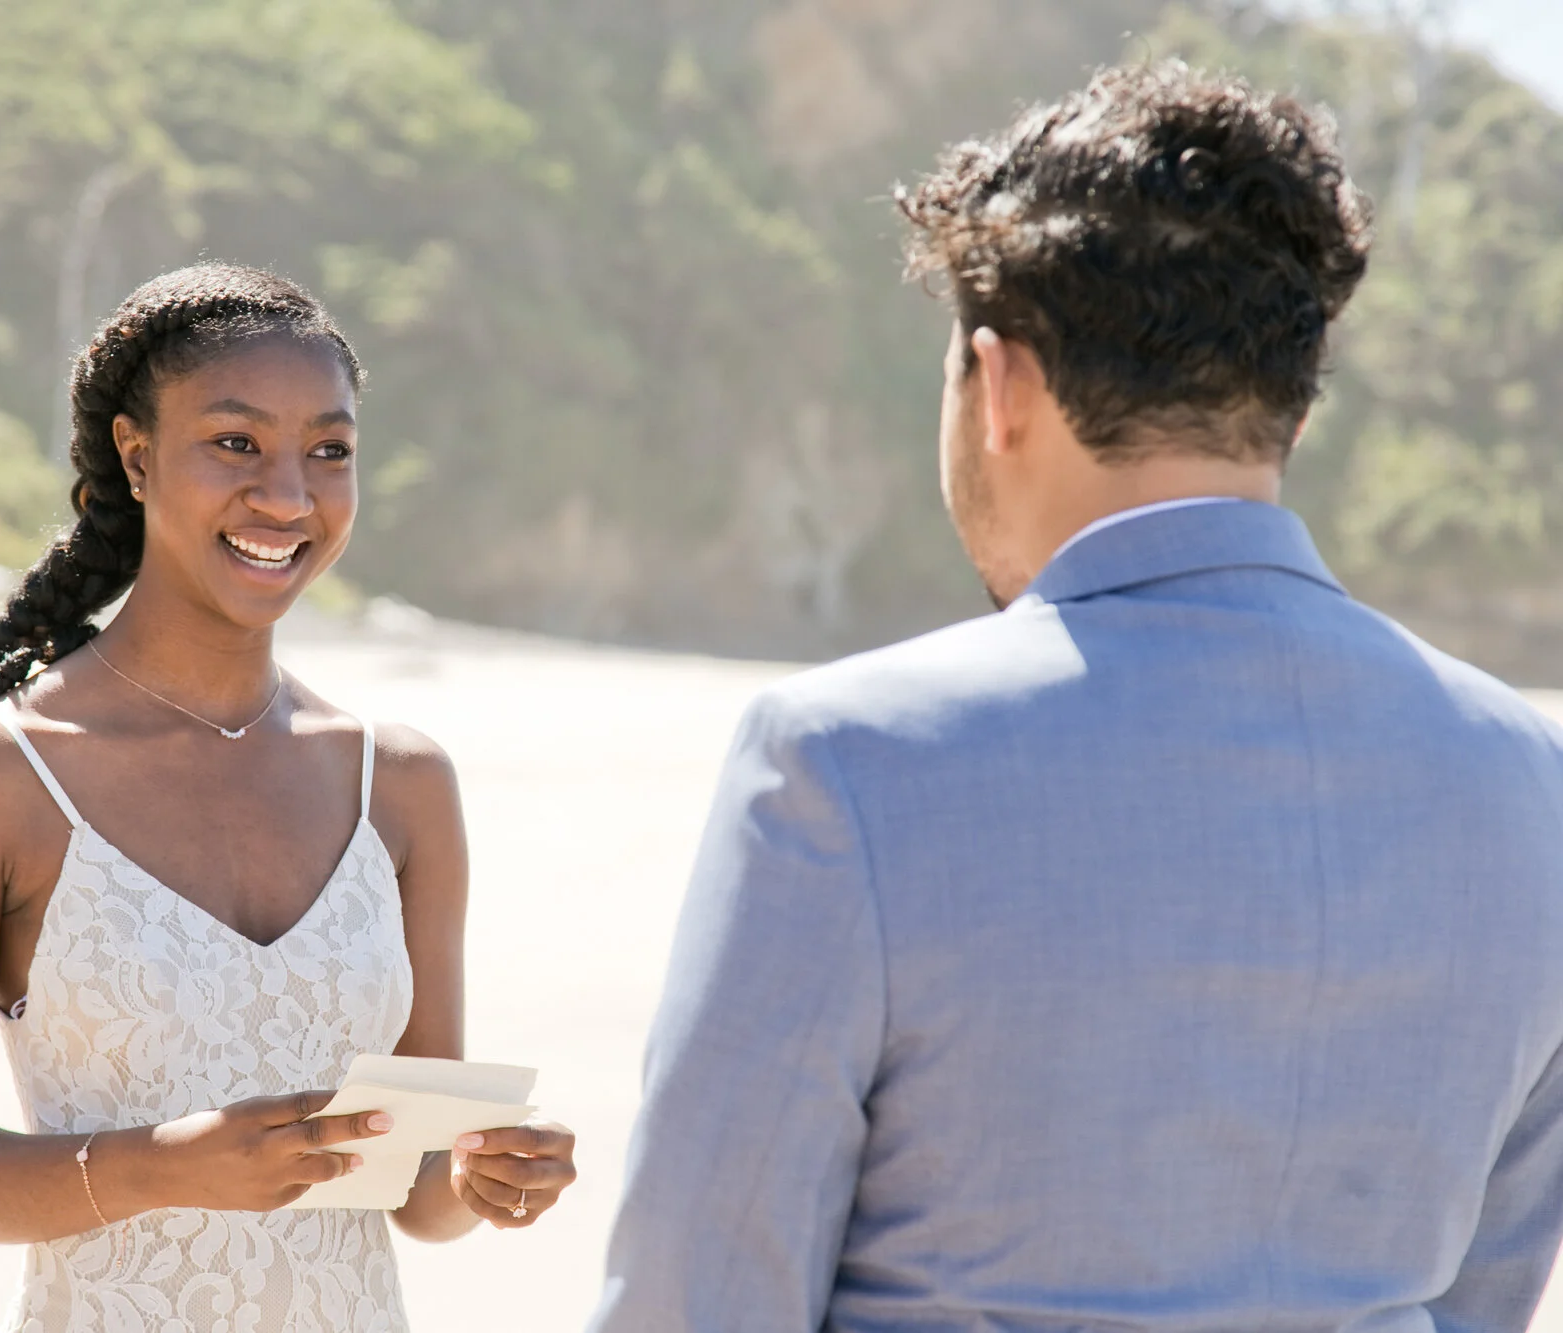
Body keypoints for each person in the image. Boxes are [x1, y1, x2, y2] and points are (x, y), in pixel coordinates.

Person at [592, 62, 1563, 1333]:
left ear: (997, 388)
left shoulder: (846, 762)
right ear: (1288, 410)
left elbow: (694, 1306)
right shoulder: (1528, 785)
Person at [0, 263, 575, 1332]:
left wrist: (487, 1174)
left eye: (328, 452)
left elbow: (417, 1194)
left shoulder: (401, 785)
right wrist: (164, 1166)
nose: (288, 497)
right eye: (236, 443)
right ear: (136, 455)